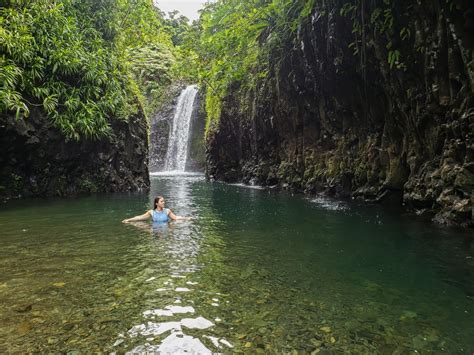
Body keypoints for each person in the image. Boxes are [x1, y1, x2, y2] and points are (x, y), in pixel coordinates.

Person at [122, 196, 192, 223]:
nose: (163, 202)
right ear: (156, 204)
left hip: (165, 230)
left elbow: (176, 217)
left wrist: (186, 218)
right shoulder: (151, 212)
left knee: (173, 224)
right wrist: (129, 220)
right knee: (138, 224)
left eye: (163, 201)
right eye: (161, 201)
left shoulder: (167, 211)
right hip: (154, 230)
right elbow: (140, 217)